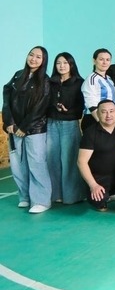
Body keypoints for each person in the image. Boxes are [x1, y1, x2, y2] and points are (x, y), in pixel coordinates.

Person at [4, 46, 52, 213]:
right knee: (18, 165)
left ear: (43, 61)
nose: (33, 59)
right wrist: (9, 122)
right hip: (14, 129)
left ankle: (42, 201)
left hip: (34, 129)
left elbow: (41, 107)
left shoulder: (45, 80)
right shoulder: (18, 75)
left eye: (38, 57)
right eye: (31, 55)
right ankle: (24, 197)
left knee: (37, 164)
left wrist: (24, 127)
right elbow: (6, 98)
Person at [77, 100, 115, 212]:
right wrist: (93, 185)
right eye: (104, 112)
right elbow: (81, 162)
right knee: (99, 201)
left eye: (111, 111)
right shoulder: (90, 133)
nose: (108, 115)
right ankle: (106, 194)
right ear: (97, 114)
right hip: (100, 176)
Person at [46, 52, 85, 205]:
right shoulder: (50, 82)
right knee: (52, 159)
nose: (61, 66)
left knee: (69, 160)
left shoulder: (79, 82)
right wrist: (54, 107)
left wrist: (67, 111)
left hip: (70, 124)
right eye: (58, 63)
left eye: (65, 63)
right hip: (51, 124)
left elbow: (81, 108)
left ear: (71, 65)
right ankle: (56, 195)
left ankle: (72, 196)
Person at [81, 48, 115, 132]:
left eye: (107, 60)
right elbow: (90, 103)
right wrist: (101, 124)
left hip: (107, 120)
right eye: (101, 59)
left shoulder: (109, 79)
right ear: (94, 61)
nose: (104, 62)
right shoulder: (91, 79)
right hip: (94, 119)